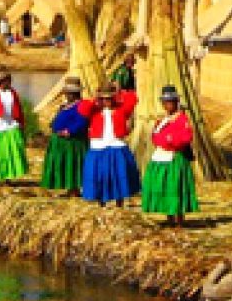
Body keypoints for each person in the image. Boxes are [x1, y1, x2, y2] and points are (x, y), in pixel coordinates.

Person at [142, 85, 198, 227]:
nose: (167, 105)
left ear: (176, 102)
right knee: (164, 186)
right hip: (162, 157)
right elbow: (155, 137)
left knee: (175, 187)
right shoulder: (162, 120)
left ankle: (179, 220)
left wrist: (169, 139)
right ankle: (169, 217)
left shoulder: (181, 119)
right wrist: (165, 139)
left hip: (176, 158)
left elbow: (185, 137)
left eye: (170, 102)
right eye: (165, 102)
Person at [78, 84, 139, 207]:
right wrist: (95, 98)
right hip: (98, 147)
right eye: (104, 99)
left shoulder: (121, 110)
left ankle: (119, 203)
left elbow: (133, 98)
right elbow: (82, 109)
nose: (107, 101)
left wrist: (119, 91)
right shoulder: (94, 111)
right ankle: (102, 203)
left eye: (110, 98)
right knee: (100, 176)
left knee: (118, 175)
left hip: (116, 146)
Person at [41, 76, 88, 196]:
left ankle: (74, 189)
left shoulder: (81, 106)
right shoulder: (65, 106)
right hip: (60, 140)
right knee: (62, 164)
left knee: (72, 164)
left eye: (69, 93)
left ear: (75, 93)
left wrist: (69, 131)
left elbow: (82, 122)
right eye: (66, 93)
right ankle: (68, 188)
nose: (66, 96)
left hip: (72, 141)